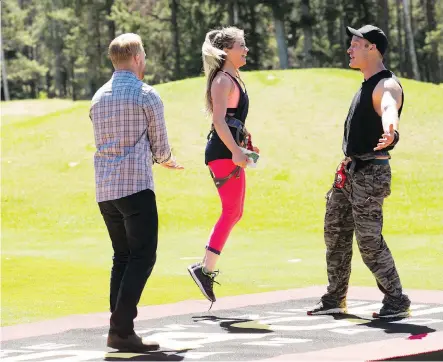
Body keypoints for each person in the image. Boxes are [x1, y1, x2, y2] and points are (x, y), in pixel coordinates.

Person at [307, 25, 411, 319]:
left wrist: (391, 130)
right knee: (335, 233)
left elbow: (390, 107)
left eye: (356, 44)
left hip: (370, 174)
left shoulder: (386, 85)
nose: (349, 49)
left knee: (368, 240)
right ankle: (335, 298)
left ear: (373, 49)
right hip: (350, 172)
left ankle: (396, 300)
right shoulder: (366, 84)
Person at [90, 33, 183, 352]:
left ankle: (118, 327)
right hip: (135, 186)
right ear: (137, 58)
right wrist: (168, 161)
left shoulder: (98, 97)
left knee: (122, 256)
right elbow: (159, 144)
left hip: (106, 189)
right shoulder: (146, 94)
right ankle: (121, 328)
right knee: (143, 256)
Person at [187, 27, 259, 306]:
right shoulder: (222, 80)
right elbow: (219, 121)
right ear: (226, 50)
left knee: (235, 211)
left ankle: (204, 268)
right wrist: (236, 151)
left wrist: (246, 145)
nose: (246, 50)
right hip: (221, 152)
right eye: (242, 45)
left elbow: (232, 120)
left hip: (230, 150)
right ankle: (204, 269)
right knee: (231, 210)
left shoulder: (233, 78)